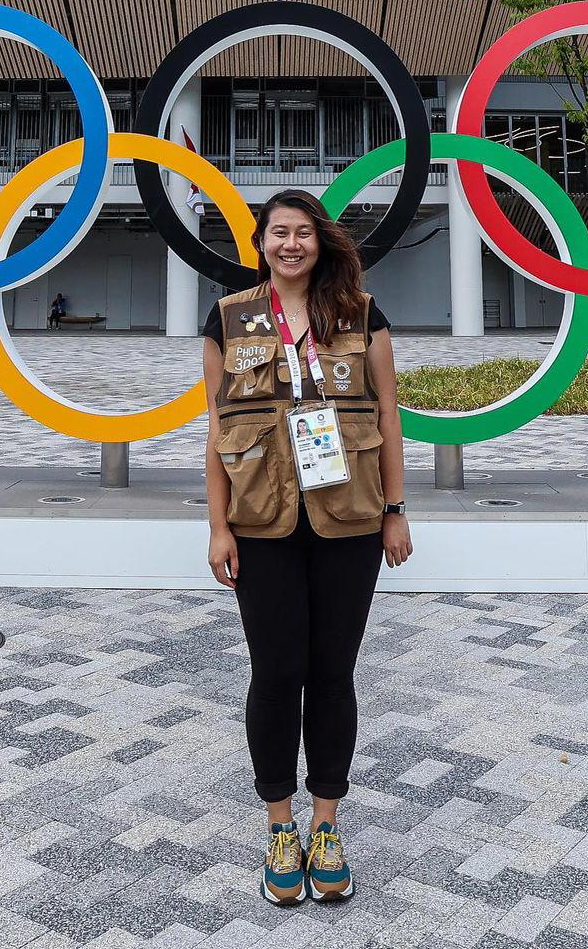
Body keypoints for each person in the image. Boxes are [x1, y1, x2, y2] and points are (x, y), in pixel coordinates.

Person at [202, 188, 413, 906]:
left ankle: (326, 827)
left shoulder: (360, 312)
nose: (291, 244)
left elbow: (387, 413)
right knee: (274, 673)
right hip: (262, 523)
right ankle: (279, 827)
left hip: (349, 521)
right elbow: (215, 428)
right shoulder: (229, 317)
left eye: (303, 233)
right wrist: (217, 525)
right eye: (278, 233)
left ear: (320, 242)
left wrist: (395, 510)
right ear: (259, 243)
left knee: (333, 674)